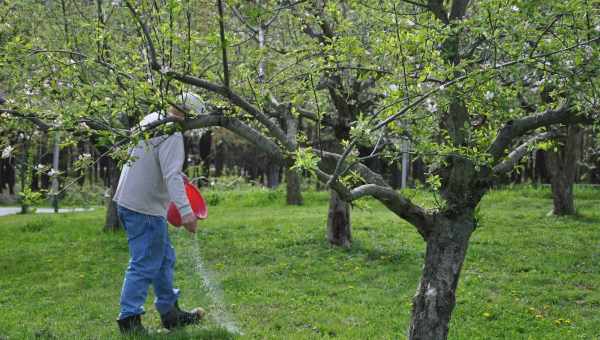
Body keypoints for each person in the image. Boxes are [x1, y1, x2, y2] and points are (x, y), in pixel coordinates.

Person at [113, 92, 206, 334]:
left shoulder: (153, 119)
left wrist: (180, 178)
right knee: (144, 263)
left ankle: (170, 313)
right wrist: (186, 213)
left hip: (133, 202)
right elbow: (170, 175)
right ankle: (129, 321)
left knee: (164, 258)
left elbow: (157, 164)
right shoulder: (172, 131)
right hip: (143, 208)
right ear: (190, 116)